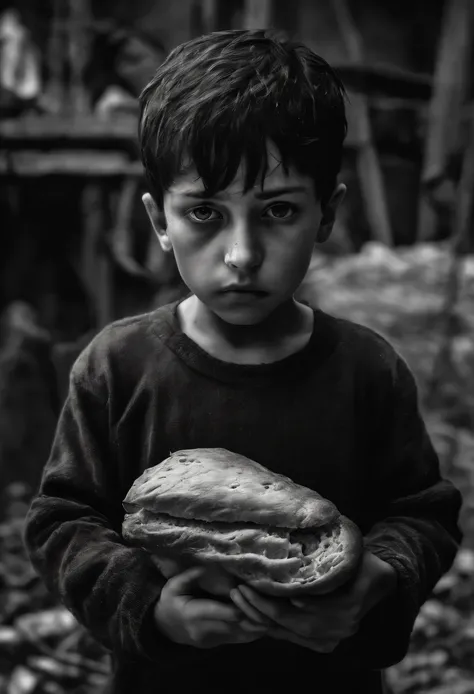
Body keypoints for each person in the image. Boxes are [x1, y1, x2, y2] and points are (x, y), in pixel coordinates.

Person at [23, 29, 463, 694]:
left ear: (327, 214)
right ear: (159, 220)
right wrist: (152, 608)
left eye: (278, 210)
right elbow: (63, 521)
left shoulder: (368, 370)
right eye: (204, 211)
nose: (241, 254)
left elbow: (424, 514)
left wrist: (377, 580)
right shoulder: (116, 368)